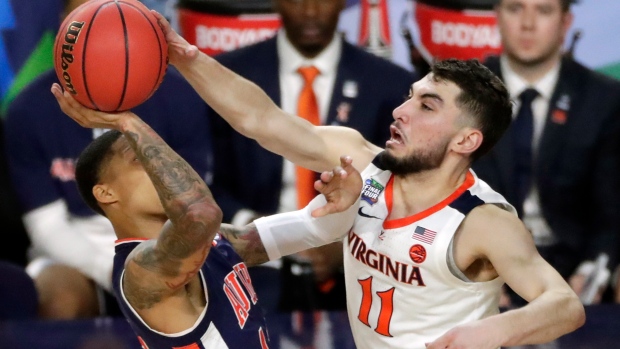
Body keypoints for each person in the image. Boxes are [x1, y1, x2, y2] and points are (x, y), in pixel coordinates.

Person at [153, 12, 585, 348]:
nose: (401, 112)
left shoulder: (481, 220)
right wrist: (186, 57)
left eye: (427, 106)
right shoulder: (362, 159)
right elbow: (261, 120)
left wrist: (492, 332)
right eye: (409, 97)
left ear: (467, 139)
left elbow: (565, 306)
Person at [50, 82, 363, 348]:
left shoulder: (212, 242)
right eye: (139, 158)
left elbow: (309, 229)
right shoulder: (141, 271)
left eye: (159, 157)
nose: (161, 169)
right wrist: (128, 123)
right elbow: (200, 214)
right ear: (106, 193)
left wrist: (340, 203)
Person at [3, 0, 214, 321]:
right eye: (83, 22)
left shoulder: (182, 98)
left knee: (206, 284)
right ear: (63, 30)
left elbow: (191, 205)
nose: (99, 35)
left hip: (167, 245)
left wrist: (154, 269)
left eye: (110, 24)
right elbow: (47, 227)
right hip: (76, 257)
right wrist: (120, 275)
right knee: (59, 297)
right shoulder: (28, 111)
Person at [208, 0, 416, 314]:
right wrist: (253, 226)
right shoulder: (231, 77)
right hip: (253, 265)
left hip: (356, 271)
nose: (309, 11)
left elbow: (399, 187)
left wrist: (348, 242)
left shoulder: (390, 83)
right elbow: (205, 175)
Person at [472, 0, 620, 306]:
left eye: (543, 10)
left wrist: (592, 272)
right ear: (496, 16)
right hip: (481, 264)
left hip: (572, 271)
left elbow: (612, 212)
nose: (528, 23)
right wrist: (469, 274)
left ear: (566, 22)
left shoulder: (604, 100)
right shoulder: (463, 94)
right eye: (515, 8)